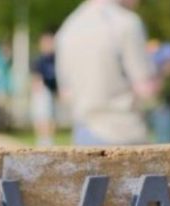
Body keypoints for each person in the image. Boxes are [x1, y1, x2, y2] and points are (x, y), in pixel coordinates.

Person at [56, 0, 160, 146]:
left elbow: (65, 93)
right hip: (123, 135)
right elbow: (146, 89)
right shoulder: (127, 23)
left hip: (82, 134)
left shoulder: (67, 28)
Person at [31, 31, 58, 146]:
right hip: (43, 92)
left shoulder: (56, 59)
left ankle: (49, 140)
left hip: (52, 91)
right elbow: (36, 78)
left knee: (52, 118)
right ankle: (43, 140)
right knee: (42, 116)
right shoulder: (39, 60)